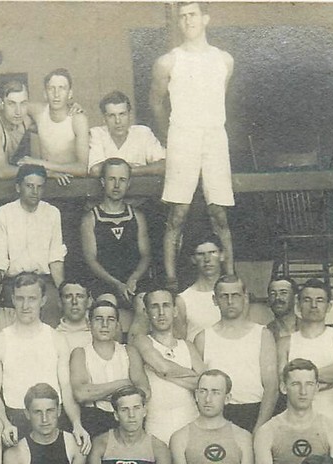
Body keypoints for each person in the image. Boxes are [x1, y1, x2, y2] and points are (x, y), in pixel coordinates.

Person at [150, 1, 236, 285]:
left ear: (206, 18)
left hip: (213, 137)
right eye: (183, 16)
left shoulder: (224, 60)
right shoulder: (168, 61)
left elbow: (216, 99)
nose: (187, 21)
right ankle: (171, 279)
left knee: (218, 212)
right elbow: (156, 103)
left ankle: (230, 277)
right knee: (178, 213)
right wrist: (171, 136)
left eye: (193, 15)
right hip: (182, 137)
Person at [0, 271, 89, 450]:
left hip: (54, 419)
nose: (25, 305)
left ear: (42, 300)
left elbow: (66, 388)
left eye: (32, 298)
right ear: (12, 299)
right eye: (20, 298)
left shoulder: (57, 339)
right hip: (16, 420)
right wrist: (5, 424)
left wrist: (76, 424)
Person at [195, 276, 278, 431]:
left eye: (236, 295)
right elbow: (198, 386)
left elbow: (271, 387)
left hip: (254, 412)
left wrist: (259, 428)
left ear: (245, 298)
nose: (230, 301)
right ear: (215, 300)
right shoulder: (203, 338)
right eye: (224, 296)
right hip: (217, 416)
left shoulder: (262, 334)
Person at [170, 370, 256, 464]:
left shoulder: (243, 436)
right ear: (196, 395)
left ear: (227, 398)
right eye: (203, 391)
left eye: (215, 392)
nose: (208, 399)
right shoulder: (180, 438)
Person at [0, 164, 66, 326]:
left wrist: (62, 291)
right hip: (14, 281)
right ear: (18, 187)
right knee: (11, 321)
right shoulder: (4, 213)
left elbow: (55, 257)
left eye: (39, 187)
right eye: (29, 186)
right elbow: (0, 259)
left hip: (43, 280)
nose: (34, 191)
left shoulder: (52, 213)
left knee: (52, 311)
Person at [277, 279, 333, 432]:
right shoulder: (285, 342)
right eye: (307, 300)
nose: (314, 305)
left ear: (329, 306)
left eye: (320, 300)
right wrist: (327, 375)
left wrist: (301, 378)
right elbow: (283, 381)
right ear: (298, 306)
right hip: (297, 422)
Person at [81, 158, 151, 328]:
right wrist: (117, 284)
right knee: (107, 308)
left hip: (133, 282)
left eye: (122, 180)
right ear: (103, 182)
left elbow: (146, 255)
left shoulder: (137, 216)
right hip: (105, 282)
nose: (117, 185)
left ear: (129, 184)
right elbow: (91, 260)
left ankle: (135, 350)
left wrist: (133, 279)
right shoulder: (90, 218)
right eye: (112, 179)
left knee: (144, 306)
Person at [132, 286, 202, 445]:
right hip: (157, 427)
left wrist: (167, 375)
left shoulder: (188, 346)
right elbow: (162, 366)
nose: (161, 312)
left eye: (166, 305)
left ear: (175, 311)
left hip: (191, 422)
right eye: (154, 307)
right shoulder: (141, 341)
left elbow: (205, 383)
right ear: (146, 312)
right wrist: (190, 377)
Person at [71, 299, 150, 438]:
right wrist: (124, 383)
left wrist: (97, 392)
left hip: (127, 419)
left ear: (117, 325)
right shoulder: (80, 353)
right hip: (94, 420)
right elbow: (81, 394)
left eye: (111, 319)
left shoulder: (129, 351)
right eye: (99, 319)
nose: (105, 324)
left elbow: (144, 392)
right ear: (89, 324)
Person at [18, 69, 90, 186]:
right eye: (52, 88)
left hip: (73, 182)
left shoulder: (78, 119)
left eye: (62, 88)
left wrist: (39, 163)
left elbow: (82, 168)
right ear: (45, 93)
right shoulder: (39, 111)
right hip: (47, 179)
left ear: (70, 93)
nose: (56, 94)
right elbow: (10, 107)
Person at [87, 92, 165, 177]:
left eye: (122, 114)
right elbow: (95, 170)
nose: (118, 121)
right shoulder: (96, 134)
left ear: (130, 115)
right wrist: (137, 168)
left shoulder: (143, 132)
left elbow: (163, 165)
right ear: (104, 119)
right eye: (111, 116)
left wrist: (129, 170)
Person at [0, 80, 35, 180]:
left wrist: (72, 107)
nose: (18, 111)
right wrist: (41, 172)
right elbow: (2, 172)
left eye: (23, 103)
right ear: (1, 104)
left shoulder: (26, 121)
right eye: (11, 104)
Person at [178, 237, 226, 341]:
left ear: (222, 256)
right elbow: (179, 342)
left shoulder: (233, 294)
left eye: (212, 252)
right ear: (193, 259)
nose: (207, 259)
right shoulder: (183, 299)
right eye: (200, 254)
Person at [55, 280, 93, 355]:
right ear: (60, 302)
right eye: (68, 296)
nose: (74, 302)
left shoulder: (99, 334)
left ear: (89, 301)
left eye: (80, 296)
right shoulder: (52, 337)